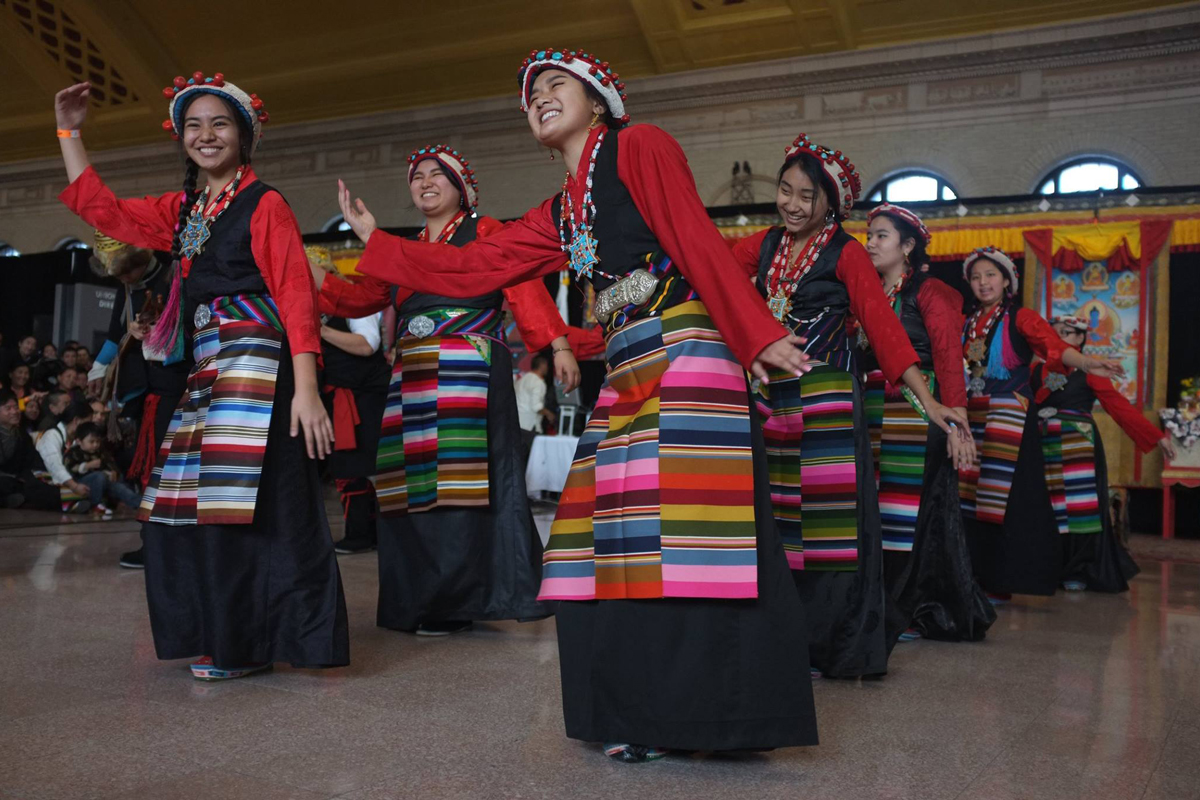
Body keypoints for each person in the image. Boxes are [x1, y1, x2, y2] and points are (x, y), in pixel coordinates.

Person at [335, 48, 820, 760]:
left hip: (684, 354)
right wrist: (379, 242)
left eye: (555, 85)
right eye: (530, 95)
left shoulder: (639, 145)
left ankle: (709, 718)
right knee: (614, 546)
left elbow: (694, 238)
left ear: (599, 102)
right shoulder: (563, 208)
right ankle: (642, 712)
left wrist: (755, 334)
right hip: (628, 371)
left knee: (687, 544)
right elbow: (475, 266)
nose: (538, 99)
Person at [54, 73, 348, 680]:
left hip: (262, 370)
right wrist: (69, 131)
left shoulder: (264, 203)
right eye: (194, 125)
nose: (206, 135)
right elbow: (100, 208)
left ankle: (249, 643)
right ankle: (224, 635)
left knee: (246, 514)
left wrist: (309, 392)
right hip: (209, 370)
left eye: (219, 124)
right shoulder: (186, 209)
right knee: (183, 512)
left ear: (244, 135)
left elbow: (295, 296)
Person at [313, 141, 578, 635]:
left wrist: (558, 344)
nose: (425, 182)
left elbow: (522, 287)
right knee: (410, 487)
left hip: (469, 367)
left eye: (438, 174)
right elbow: (356, 298)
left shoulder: (486, 232)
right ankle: (420, 598)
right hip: (410, 374)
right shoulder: (403, 250)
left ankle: (458, 600)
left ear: (462, 189)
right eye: (417, 176)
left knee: (465, 487)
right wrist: (310, 275)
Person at [729, 136, 969, 678]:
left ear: (829, 204)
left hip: (827, 405)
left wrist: (929, 400)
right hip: (771, 402)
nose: (792, 204)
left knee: (824, 533)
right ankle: (776, 634)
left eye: (806, 196)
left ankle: (823, 643)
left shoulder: (847, 253)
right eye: (785, 191)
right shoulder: (765, 244)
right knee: (774, 525)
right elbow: (714, 271)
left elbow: (883, 330)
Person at [957, 248, 1124, 600]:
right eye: (976, 277)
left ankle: (1002, 581)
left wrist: (1086, 362)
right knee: (966, 500)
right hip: (971, 415)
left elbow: (1052, 345)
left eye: (990, 275)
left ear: (1006, 281)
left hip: (1009, 415)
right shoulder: (967, 322)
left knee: (1004, 502)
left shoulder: (1021, 318)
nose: (983, 283)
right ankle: (970, 574)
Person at [861, 203, 992, 642]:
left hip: (917, 414)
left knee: (911, 516)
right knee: (877, 513)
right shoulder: (867, 292)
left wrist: (957, 425)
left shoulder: (931, 292)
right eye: (870, 234)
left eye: (881, 236)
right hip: (873, 412)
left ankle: (912, 605)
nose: (871, 242)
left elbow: (949, 360)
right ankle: (881, 603)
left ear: (908, 245)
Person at [1033, 315, 1176, 592]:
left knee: (1079, 511)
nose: (1060, 338)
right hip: (1044, 446)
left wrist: (1157, 437)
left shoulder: (1090, 372)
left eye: (1066, 333)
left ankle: (1079, 569)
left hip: (1079, 447)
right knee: (1050, 509)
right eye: (1055, 334)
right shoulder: (1037, 373)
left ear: (1080, 339)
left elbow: (1119, 407)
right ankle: (1050, 566)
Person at [85, 231, 192, 568]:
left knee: (165, 471)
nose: (123, 280)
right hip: (142, 391)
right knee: (148, 470)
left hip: (173, 387)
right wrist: (98, 368)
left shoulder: (175, 274)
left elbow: (190, 329)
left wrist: (158, 331)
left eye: (125, 273)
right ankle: (155, 546)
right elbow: (115, 330)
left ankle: (166, 549)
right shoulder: (127, 286)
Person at [308, 245, 390, 556]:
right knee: (347, 466)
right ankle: (361, 533)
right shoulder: (314, 305)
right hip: (338, 393)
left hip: (365, 396)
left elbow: (368, 345)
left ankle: (367, 534)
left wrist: (322, 331)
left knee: (365, 466)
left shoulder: (354, 298)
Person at [0, 390, 61, 510]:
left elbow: (33, 460)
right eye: (8, 408)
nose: (14, 412)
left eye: (16, 407)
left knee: (45, 487)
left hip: (18, 479)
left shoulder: (22, 434)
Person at [63, 420, 141, 515]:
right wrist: (87, 466)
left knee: (120, 488)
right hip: (82, 482)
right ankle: (96, 505)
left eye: (97, 442)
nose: (95, 445)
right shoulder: (74, 453)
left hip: (104, 481)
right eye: (91, 442)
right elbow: (69, 468)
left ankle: (140, 504)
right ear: (79, 441)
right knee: (99, 476)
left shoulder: (101, 452)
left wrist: (112, 472)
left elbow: (110, 464)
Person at [35, 402, 96, 511]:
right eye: (88, 423)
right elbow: (55, 466)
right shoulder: (52, 435)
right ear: (76, 420)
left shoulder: (77, 440)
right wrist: (74, 486)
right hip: (46, 478)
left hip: (68, 478)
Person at [516, 352, 554, 433]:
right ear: (542, 366)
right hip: (530, 425)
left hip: (517, 422)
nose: (548, 368)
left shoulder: (523, 379)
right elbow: (536, 407)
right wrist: (549, 414)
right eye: (547, 365)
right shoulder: (538, 382)